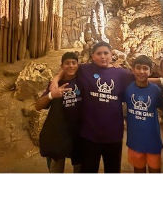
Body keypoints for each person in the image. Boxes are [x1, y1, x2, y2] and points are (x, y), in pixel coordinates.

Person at [52, 42, 135, 173]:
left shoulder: (122, 74)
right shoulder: (85, 69)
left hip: (113, 134)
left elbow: (141, 79)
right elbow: (67, 69)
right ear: (93, 56)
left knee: (112, 170)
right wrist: (55, 80)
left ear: (112, 54)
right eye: (99, 53)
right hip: (90, 134)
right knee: (89, 170)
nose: (103, 56)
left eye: (106, 53)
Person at [35, 52, 83, 173]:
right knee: (56, 168)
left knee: (81, 167)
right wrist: (52, 95)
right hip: (57, 134)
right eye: (67, 63)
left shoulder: (83, 80)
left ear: (78, 65)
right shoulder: (55, 86)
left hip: (79, 133)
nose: (71, 66)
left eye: (74, 63)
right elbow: (38, 106)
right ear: (62, 66)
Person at [124, 55, 163, 173]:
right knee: (138, 170)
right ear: (132, 70)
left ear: (150, 71)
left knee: (155, 170)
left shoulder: (156, 90)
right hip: (135, 140)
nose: (141, 71)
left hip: (153, 140)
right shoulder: (128, 89)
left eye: (145, 68)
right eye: (138, 68)